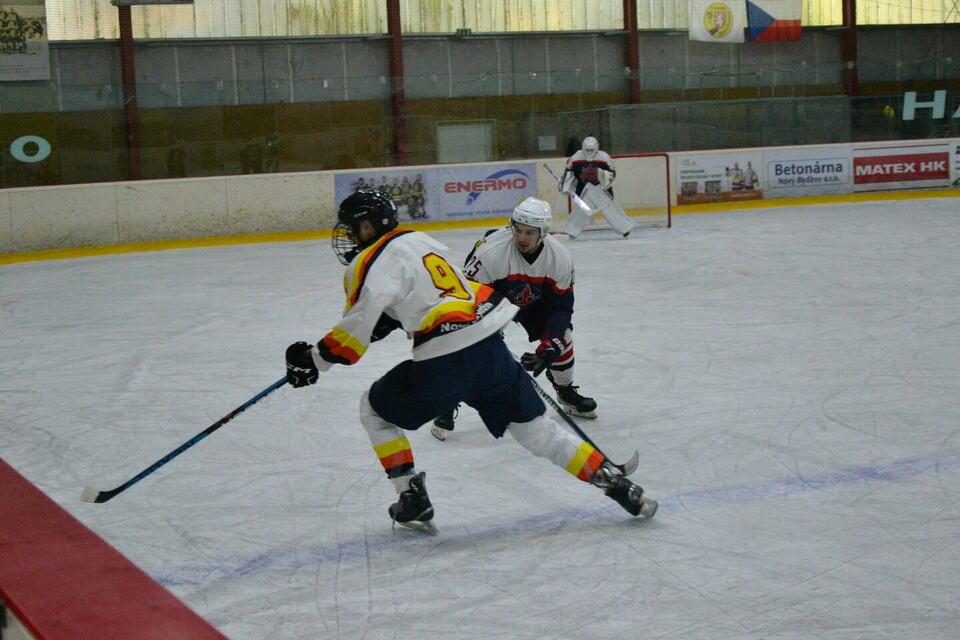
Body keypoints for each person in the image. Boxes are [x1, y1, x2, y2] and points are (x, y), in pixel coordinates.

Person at [284, 189, 656, 532]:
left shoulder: (366, 262)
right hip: (489, 348)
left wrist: (311, 359)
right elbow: (440, 294)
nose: (350, 236)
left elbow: (349, 341)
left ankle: (411, 496)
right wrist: (393, 318)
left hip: (443, 359)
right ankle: (617, 485)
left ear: (368, 226)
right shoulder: (419, 240)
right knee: (538, 432)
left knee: (373, 410)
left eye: (353, 228)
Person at [431, 197, 598, 443]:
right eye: (517, 230)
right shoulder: (491, 253)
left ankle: (564, 390)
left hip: (535, 301)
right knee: (468, 346)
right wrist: (487, 336)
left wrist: (549, 348)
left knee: (562, 338)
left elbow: (561, 308)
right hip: (491, 299)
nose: (521, 237)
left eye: (530, 233)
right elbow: (468, 300)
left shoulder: (559, 257)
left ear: (544, 232)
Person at [560, 136, 634, 238]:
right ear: (583, 148)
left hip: (601, 189)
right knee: (580, 212)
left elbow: (612, 173)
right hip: (583, 189)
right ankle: (572, 231)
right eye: (587, 150)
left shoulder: (604, 157)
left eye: (592, 150)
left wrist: (601, 175)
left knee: (610, 209)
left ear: (596, 148)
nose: (589, 152)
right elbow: (569, 172)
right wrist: (566, 185)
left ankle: (624, 229)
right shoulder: (576, 157)